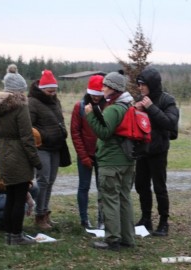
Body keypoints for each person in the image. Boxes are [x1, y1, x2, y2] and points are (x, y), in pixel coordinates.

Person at [0, 64, 42, 245]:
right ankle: (16, 235)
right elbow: (27, 137)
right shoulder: (20, 107)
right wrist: (36, 160)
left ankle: (10, 234)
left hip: (3, 153)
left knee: (11, 195)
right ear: (19, 90)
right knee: (19, 198)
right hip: (19, 156)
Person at [85, 71, 135, 251]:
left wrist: (90, 115)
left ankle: (112, 239)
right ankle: (128, 239)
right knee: (124, 198)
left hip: (111, 162)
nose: (102, 88)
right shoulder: (128, 105)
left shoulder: (114, 109)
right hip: (127, 160)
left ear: (114, 88)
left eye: (106, 85)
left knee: (110, 199)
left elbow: (104, 133)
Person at [134, 67, 179, 237]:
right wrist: (136, 110)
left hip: (158, 151)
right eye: (139, 85)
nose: (140, 88)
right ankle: (146, 219)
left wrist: (151, 107)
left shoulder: (167, 100)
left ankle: (163, 222)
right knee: (141, 185)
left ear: (151, 84)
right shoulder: (142, 99)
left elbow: (170, 122)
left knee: (159, 187)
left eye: (143, 85)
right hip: (142, 150)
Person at [0, 128, 42, 235]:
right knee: (21, 205)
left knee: (34, 188)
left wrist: (26, 190)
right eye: (33, 147)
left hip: (1, 191)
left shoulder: (18, 154)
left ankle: (5, 222)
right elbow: (6, 181)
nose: (34, 151)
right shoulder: (2, 153)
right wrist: (27, 197)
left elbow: (22, 178)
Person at [28, 69, 68, 230]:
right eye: (49, 90)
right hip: (42, 147)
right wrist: (43, 135)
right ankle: (39, 215)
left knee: (50, 181)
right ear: (41, 88)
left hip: (56, 147)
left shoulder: (55, 101)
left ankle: (45, 212)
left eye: (54, 90)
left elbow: (60, 119)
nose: (52, 93)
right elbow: (29, 126)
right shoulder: (32, 102)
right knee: (43, 181)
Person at [70, 75, 106, 229]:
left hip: (103, 155)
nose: (96, 97)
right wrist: (83, 156)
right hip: (85, 153)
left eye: (99, 95)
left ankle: (102, 219)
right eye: (93, 94)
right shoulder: (80, 107)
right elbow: (75, 132)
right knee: (84, 187)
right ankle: (84, 219)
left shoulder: (108, 107)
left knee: (103, 188)